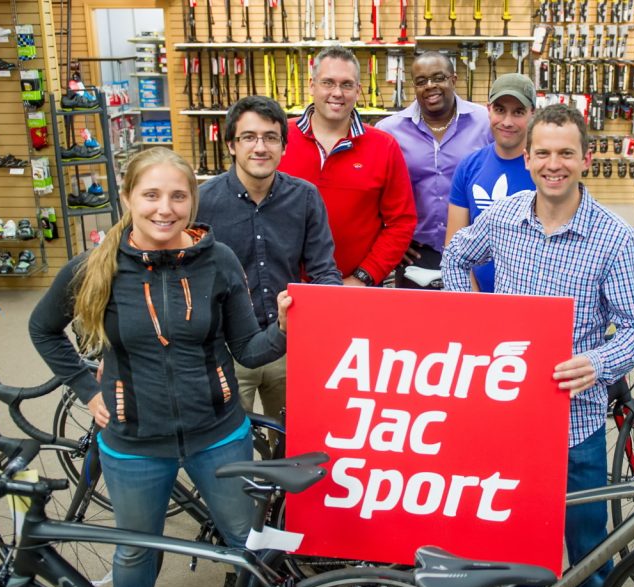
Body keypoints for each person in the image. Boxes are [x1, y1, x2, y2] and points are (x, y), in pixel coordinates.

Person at [28, 147, 290, 587]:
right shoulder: (95, 268)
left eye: (177, 196)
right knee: (134, 552)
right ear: (127, 197)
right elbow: (43, 328)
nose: (164, 209)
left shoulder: (219, 260)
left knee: (247, 547)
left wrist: (285, 331)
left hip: (219, 435)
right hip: (134, 444)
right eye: (150, 195)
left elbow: (248, 350)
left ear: (193, 202)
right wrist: (86, 387)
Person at [442, 103, 634, 587]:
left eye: (565, 153)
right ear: (529, 158)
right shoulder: (505, 216)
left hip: (574, 422)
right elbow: (456, 255)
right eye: (542, 153)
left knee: (587, 547)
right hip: (507, 415)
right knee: (515, 541)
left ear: (585, 159)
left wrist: (597, 363)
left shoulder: (616, 239)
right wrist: (475, 319)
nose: (552, 164)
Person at [198, 95, 341, 420]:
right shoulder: (202, 203)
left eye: (270, 138)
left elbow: (324, 271)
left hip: (287, 344)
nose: (260, 147)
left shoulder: (304, 198)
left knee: (291, 444)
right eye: (249, 137)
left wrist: (330, 312)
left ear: (284, 146)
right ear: (231, 145)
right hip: (226, 350)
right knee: (230, 450)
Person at [278, 44, 417, 287]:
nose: (337, 93)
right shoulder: (278, 138)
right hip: (284, 287)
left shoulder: (383, 146)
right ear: (312, 86)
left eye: (346, 84)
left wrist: (363, 277)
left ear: (358, 90)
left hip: (357, 289)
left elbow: (401, 222)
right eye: (328, 82)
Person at [375, 51, 493, 288]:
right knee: (415, 324)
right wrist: (391, 240)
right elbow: (374, 191)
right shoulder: (389, 131)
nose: (430, 86)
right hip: (417, 254)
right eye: (421, 81)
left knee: (471, 324)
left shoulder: (485, 122)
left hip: (476, 253)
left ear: (454, 79)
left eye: (438, 78)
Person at [445, 73, 537, 292]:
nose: (507, 121)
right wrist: (474, 300)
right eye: (500, 110)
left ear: (532, 114)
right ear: (488, 110)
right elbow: (454, 246)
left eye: (518, 112)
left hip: (531, 299)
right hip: (480, 299)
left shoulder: (543, 170)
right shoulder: (469, 167)